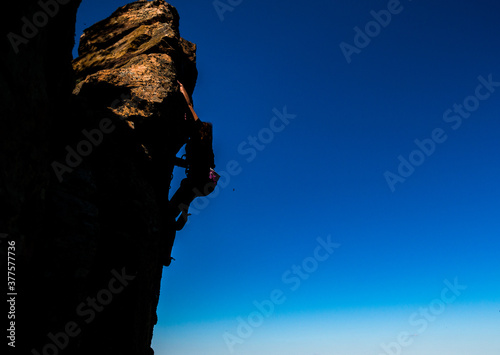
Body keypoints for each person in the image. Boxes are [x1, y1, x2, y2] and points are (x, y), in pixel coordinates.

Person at [169, 81, 216, 231]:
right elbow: (195, 163)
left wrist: (182, 88)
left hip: (200, 179)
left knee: (184, 193)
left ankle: (177, 215)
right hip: (206, 182)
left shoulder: (199, 130)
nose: (185, 118)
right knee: (187, 194)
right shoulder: (205, 145)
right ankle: (180, 216)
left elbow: (189, 106)